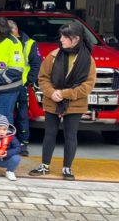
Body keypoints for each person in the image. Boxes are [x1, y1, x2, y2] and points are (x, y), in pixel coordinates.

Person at [29, 23, 95, 181]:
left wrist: (64, 93)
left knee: (70, 135)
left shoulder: (88, 60)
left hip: (75, 103)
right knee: (49, 133)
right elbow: (43, 78)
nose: (61, 40)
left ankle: (67, 168)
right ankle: (45, 165)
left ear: (76, 39)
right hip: (52, 101)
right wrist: (51, 93)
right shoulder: (53, 55)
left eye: (65, 37)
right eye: (61, 36)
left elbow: (87, 86)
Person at [8, 20, 42, 156]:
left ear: (15, 31)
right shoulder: (5, 43)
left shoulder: (29, 44)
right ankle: (9, 141)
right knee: (7, 114)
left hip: (22, 86)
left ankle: (23, 144)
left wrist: (29, 81)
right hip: (7, 85)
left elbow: (36, 64)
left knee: (22, 115)